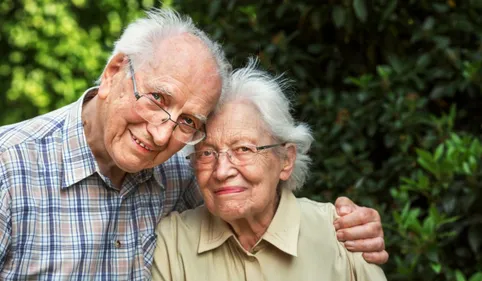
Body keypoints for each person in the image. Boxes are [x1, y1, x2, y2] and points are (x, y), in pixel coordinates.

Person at [0, 8, 386, 280]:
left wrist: (349, 227)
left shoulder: (185, 172)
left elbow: (256, 193)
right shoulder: (9, 168)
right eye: (157, 98)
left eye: (188, 122)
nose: (162, 135)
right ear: (114, 72)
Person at [151, 61, 387, 280]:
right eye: (206, 153)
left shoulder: (343, 233)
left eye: (243, 149)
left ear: (286, 160)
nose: (221, 171)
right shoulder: (173, 243)